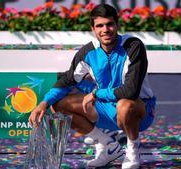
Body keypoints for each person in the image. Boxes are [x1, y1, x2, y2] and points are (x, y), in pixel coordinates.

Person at [29, 3, 156, 169]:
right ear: (93, 29)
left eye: (110, 24)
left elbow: (130, 91)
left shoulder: (133, 46)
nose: (106, 29)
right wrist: (43, 104)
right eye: (100, 26)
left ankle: (132, 150)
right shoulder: (87, 52)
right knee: (58, 106)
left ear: (117, 25)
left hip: (140, 112)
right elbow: (67, 80)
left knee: (125, 104)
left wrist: (96, 94)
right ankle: (107, 145)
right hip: (107, 110)